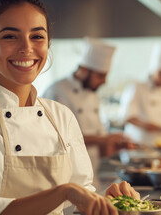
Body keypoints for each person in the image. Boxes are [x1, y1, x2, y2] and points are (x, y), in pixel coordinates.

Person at [0, 0, 139, 215]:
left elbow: (78, 200)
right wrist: (64, 192)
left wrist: (104, 201)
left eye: (37, 36)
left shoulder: (62, 117)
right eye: (11, 36)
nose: (26, 48)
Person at [42, 38, 132, 189]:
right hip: (64, 181)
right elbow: (59, 138)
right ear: (84, 70)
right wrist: (103, 139)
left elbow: (99, 145)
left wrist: (114, 144)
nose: (104, 81)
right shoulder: (57, 92)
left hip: (91, 178)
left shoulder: (93, 95)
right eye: (100, 75)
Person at [118, 44, 161, 147]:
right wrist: (145, 125)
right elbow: (127, 116)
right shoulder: (137, 87)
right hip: (138, 144)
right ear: (153, 70)